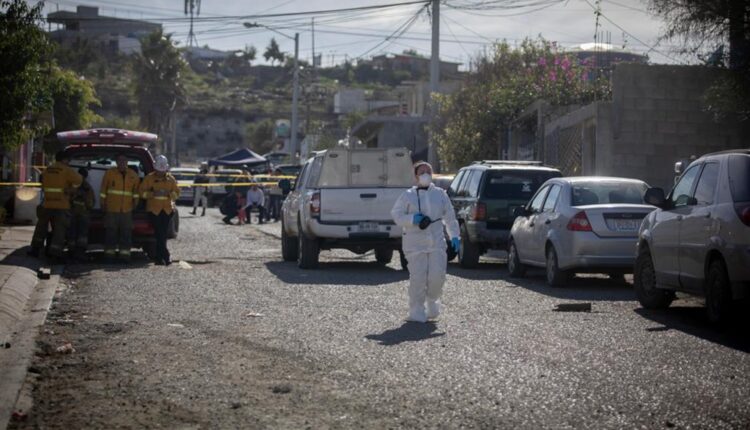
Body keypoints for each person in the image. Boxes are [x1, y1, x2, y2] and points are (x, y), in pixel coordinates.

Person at [391, 161, 460, 323]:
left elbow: (449, 217)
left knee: (437, 276)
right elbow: (396, 215)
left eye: (428, 171)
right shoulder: (407, 195)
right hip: (414, 244)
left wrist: (455, 235)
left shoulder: (440, 194)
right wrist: (412, 219)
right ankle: (416, 310)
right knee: (418, 278)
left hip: (436, 243)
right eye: (422, 172)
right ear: (416, 176)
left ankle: (432, 300)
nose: (425, 174)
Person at [29, 151, 83, 260]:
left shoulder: (48, 169)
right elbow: (79, 180)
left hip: (47, 203)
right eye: (68, 160)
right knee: (59, 230)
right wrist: (72, 188)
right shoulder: (66, 170)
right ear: (64, 160)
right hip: (61, 205)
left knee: (41, 227)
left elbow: (42, 182)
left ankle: (35, 249)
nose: (68, 162)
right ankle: (55, 252)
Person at [100, 154, 141, 263]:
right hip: (112, 209)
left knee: (126, 233)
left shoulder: (133, 175)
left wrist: (135, 204)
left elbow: (136, 192)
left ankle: (125, 256)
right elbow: (103, 190)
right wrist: (103, 204)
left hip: (127, 210)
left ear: (127, 162)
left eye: (124, 160)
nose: (122, 162)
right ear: (116, 162)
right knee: (110, 233)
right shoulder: (110, 173)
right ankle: (109, 256)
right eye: (120, 160)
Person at [140, 155, 180, 266]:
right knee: (160, 234)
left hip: (167, 211)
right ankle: (165, 257)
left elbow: (177, 194)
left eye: (162, 171)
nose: (160, 173)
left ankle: (160, 258)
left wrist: (169, 194)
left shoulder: (171, 179)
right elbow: (142, 193)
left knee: (161, 234)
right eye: (159, 170)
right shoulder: (149, 178)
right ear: (155, 168)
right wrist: (153, 194)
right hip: (154, 210)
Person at [68, 167, 95, 260]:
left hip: (79, 214)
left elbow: (90, 203)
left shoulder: (85, 188)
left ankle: (76, 252)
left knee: (79, 235)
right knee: (76, 234)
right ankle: (75, 252)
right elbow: (91, 203)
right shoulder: (86, 188)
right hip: (79, 214)